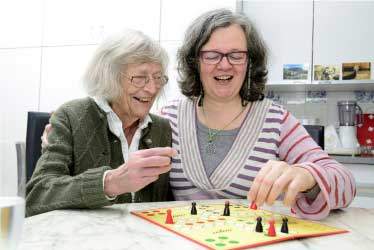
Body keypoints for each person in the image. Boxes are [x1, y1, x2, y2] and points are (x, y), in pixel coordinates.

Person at [161, 9, 355, 220]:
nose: (224, 64)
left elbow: (346, 185)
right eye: (211, 55)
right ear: (194, 62)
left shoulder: (276, 120)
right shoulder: (169, 118)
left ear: (250, 62)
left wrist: (309, 176)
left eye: (236, 55)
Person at [26, 29, 176, 217]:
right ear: (110, 77)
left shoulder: (162, 128)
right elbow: (36, 196)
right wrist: (110, 182)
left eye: (158, 77)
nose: (152, 88)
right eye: (140, 78)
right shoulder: (71, 116)